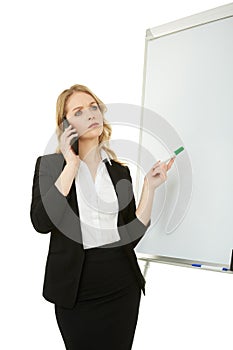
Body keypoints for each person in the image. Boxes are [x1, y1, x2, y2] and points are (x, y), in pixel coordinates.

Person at [30, 84, 175, 350]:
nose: (91, 114)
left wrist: (150, 188)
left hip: (121, 284)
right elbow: (41, 222)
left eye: (94, 107)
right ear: (66, 124)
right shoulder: (49, 167)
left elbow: (131, 235)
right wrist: (71, 165)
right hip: (76, 289)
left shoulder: (120, 172)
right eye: (79, 111)